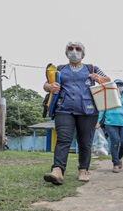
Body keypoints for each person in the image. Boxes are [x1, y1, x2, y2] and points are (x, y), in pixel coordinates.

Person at [42, 42, 109, 185]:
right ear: (66, 52)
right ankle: (58, 170)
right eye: (70, 49)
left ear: (83, 53)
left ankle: (83, 170)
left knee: (85, 142)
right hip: (64, 109)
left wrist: (98, 79)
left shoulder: (92, 68)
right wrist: (50, 87)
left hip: (88, 111)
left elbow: (108, 81)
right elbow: (46, 85)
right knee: (63, 139)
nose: (74, 51)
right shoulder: (59, 70)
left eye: (78, 49)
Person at [96, 79, 123, 173]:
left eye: (120, 85)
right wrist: (98, 122)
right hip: (110, 123)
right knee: (115, 142)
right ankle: (115, 164)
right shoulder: (108, 97)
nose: (118, 87)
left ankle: (119, 157)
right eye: (117, 85)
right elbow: (102, 110)